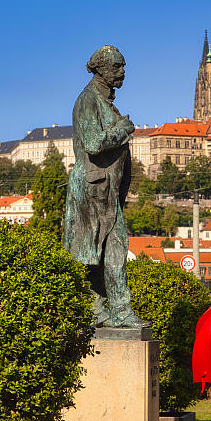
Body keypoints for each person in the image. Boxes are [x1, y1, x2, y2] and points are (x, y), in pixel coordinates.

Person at [62, 45, 148, 328]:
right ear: (100, 69)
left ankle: (99, 311)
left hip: (104, 190)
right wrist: (123, 129)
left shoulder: (104, 101)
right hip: (92, 189)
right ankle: (116, 311)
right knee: (111, 247)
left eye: (123, 66)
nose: (122, 72)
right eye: (117, 67)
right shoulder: (88, 100)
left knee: (102, 250)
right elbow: (93, 143)